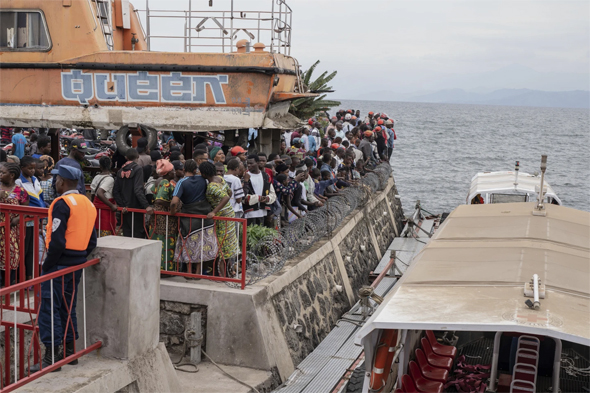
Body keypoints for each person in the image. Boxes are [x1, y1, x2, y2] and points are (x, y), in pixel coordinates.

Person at [30, 165, 97, 373]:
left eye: (56, 179)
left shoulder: (62, 204)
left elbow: (57, 241)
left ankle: (52, 357)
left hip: (59, 264)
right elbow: (92, 242)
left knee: (50, 308)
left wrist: (49, 265)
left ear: (62, 181)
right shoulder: (88, 204)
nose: (54, 182)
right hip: (76, 263)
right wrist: (77, 257)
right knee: (68, 306)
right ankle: (69, 353)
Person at [171, 159, 217, 273]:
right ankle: (199, 272)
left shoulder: (182, 182)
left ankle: (189, 272)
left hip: (189, 219)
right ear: (196, 170)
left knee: (189, 246)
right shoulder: (203, 180)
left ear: (183, 169)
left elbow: (174, 202)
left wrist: (172, 212)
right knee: (202, 246)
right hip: (205, 218)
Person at [200, 162, 239, 276]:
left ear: (203, 174)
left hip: (222, 217)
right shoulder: (220, 179)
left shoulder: (212, 186)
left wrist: (214, 211)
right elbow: (229, 192)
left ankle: (222, 275)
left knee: (222, 246)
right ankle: (228, 271)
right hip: (229, 213)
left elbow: (226, 197)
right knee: (228, 244)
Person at [16, 156, 46, 280]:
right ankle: (22, 277)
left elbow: (40, 197)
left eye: (34, 168)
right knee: (24, 248)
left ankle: (30, 276)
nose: (33, 171)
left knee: (32, 249)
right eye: (30, 168)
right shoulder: (19, 182)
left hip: (36, 218)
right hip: (26, 220)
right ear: (22, 168)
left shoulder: (35, 179)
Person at [113, 148, 152, 238]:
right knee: (138, 236)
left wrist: (122, 206)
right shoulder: (138, 169)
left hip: (125, 210)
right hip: (136, 208)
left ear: (126, 157)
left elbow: (116, 191)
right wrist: (146, 205)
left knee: (127, 234)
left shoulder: (120, 171)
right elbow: (138, 190)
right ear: (138, 156)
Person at [0, 163, 28, 283]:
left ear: (11, 175)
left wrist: (18, 219)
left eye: (3, 173)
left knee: (11, 255)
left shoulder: (21, 191)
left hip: (12, 230)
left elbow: (26, 210)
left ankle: (8, 283)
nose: (0, 175)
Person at [149, 160, 178, 271]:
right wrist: (171, 206)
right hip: (164, 218)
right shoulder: (166, 183)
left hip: (157, 217)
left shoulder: (157, 181)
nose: (174, 172)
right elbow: (159, 200)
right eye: (173, 170)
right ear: (168, 172)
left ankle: (155, 268)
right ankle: (166, 269)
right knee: (165, 243)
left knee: (156, 242)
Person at [242, 155, 276, 226]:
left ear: (257, 163)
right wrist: (258, 198)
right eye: (247, 163)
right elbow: (242, 195)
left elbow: (272, 193)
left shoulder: (265, 176)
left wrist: (267, 198)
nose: (249, 165)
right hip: (249, 213)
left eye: (251, 163)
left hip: (263, 212)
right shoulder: (245, 176)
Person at [91, 157, 117, 236]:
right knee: (106, 230)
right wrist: (111, 205)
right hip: (105, 209)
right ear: (111, 164)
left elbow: (93, 194)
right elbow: (100, 193)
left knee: (96, 230)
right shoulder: (110, 179)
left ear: (100, 166)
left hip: (96, 207)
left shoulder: (96, 177)